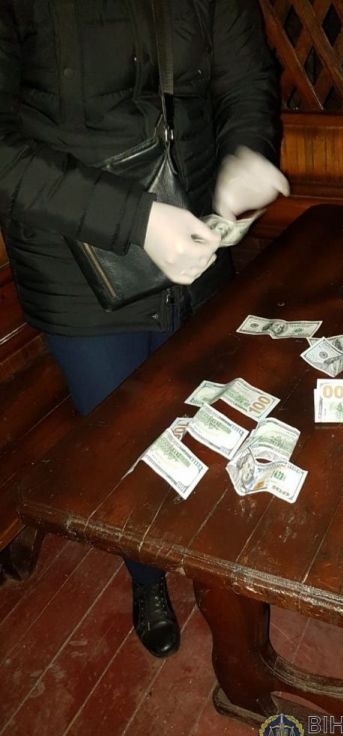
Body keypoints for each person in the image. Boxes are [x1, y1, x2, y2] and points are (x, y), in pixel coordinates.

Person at [0, 0, 288, 658]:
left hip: (196, 235)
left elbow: (245, 79)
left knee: (203, 413)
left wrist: (247, 154)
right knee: (123, 445)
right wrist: (137, 220)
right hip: (73, 260)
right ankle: (146, 578)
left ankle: (207, 551)